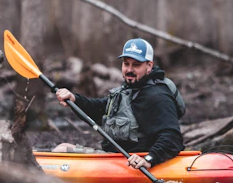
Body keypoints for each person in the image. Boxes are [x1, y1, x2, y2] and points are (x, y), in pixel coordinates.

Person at [54, 38, 185, 170]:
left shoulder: (157, 96)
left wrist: (149, 159)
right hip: (116, 159)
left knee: (61, 151)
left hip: (138, 164)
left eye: (136, 65)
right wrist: (74, 99)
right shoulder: (129, 89)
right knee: (62, 148)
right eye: (126, 64)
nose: (129, 69)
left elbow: (172, 138)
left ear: (149, 66)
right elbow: (100, 109)